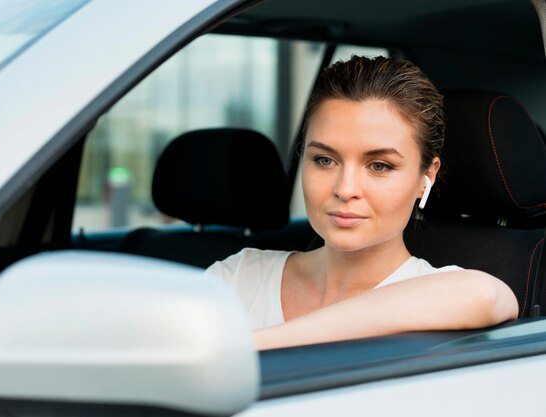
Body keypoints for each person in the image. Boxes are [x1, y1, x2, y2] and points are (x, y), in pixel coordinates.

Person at [205, 55, 519, 350]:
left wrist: (249, 346)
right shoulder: (240, 276)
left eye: (379, 165)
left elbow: (489, 296)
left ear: (427, 176)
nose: (345, 188)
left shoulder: (447, 293)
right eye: (325, 159)